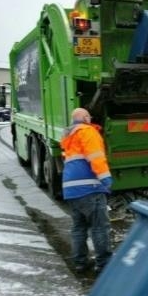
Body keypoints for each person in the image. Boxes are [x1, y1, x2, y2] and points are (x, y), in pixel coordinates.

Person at [60, 108, 113, 274]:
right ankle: (104, 263)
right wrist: (106, 179)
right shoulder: (87, 131)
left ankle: (81, 263)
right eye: (89, 116)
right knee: (99, 227)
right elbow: (96, 157)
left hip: (71, 190)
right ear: (84, 117)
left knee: (79, 227)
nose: (91, 119)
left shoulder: (69, 136)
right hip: (90, 188)